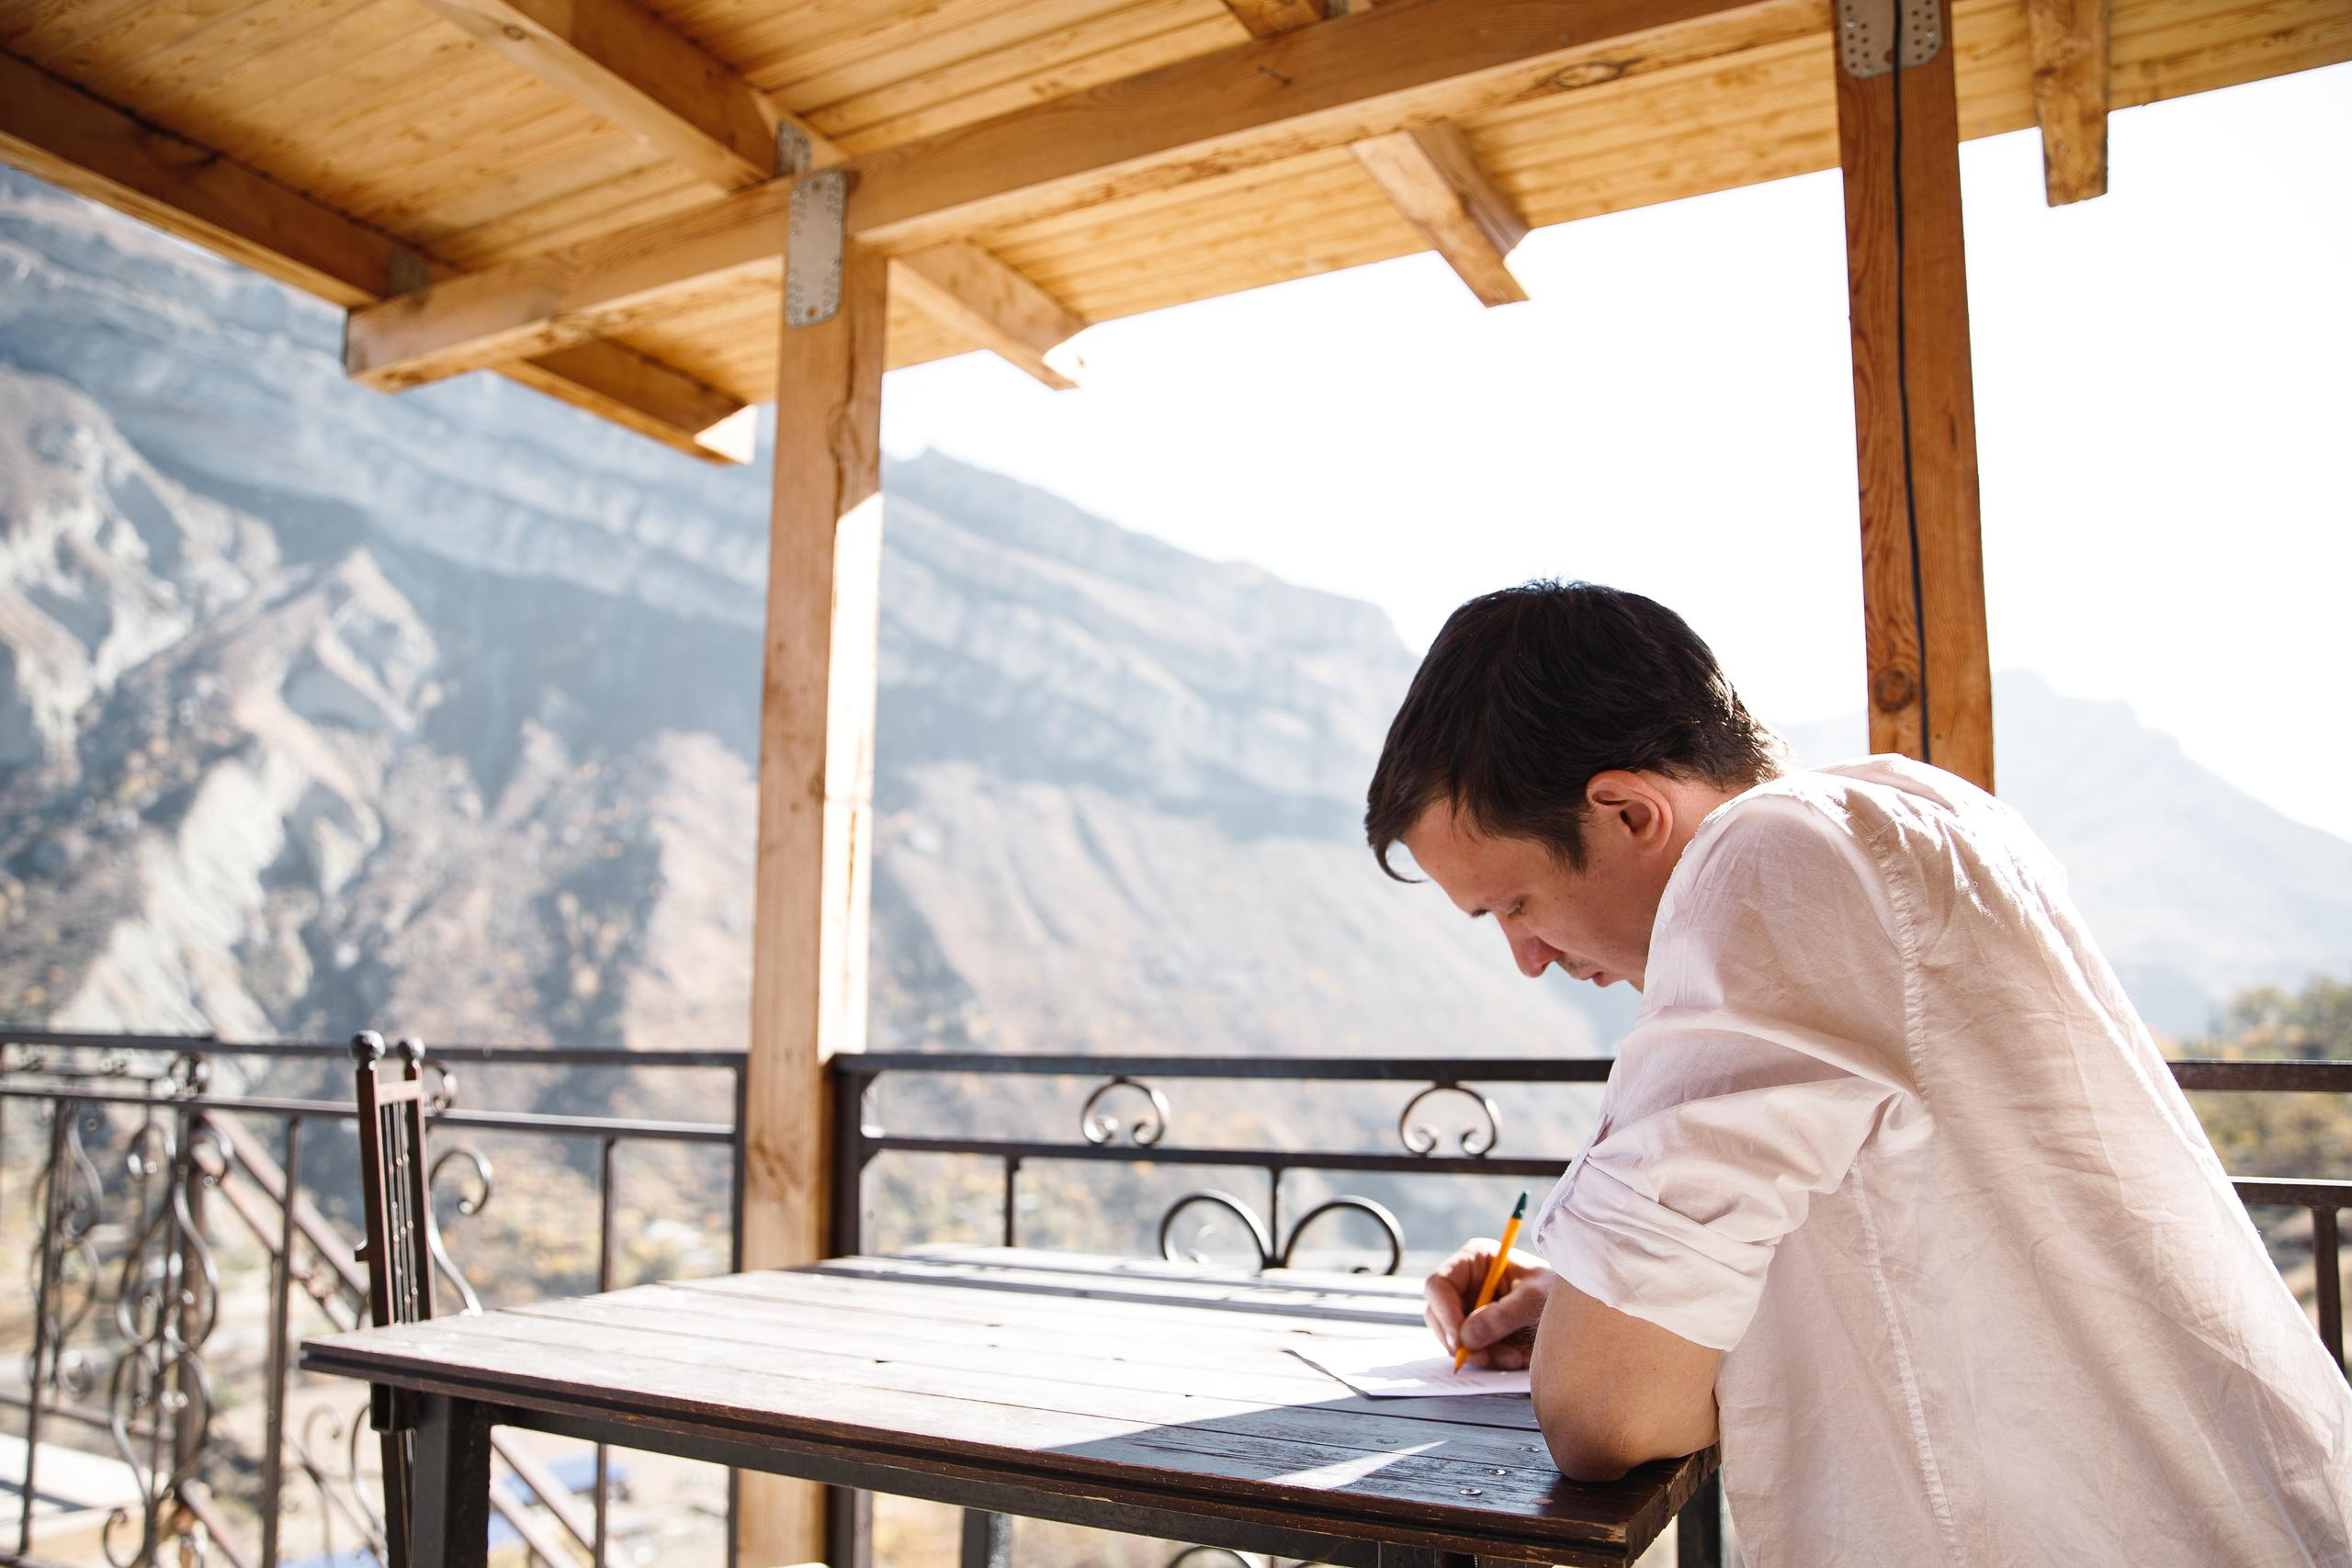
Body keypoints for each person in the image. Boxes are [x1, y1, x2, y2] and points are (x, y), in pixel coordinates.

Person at [1363, 581, 2351, 1565]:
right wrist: (1589, 1299)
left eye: (1515, 904)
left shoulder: (1768, 860)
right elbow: (1889, 1221)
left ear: (1626, 812)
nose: (1525, 958)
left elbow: (1605, 1414)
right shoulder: (1920, 811)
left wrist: (1607, 1338)